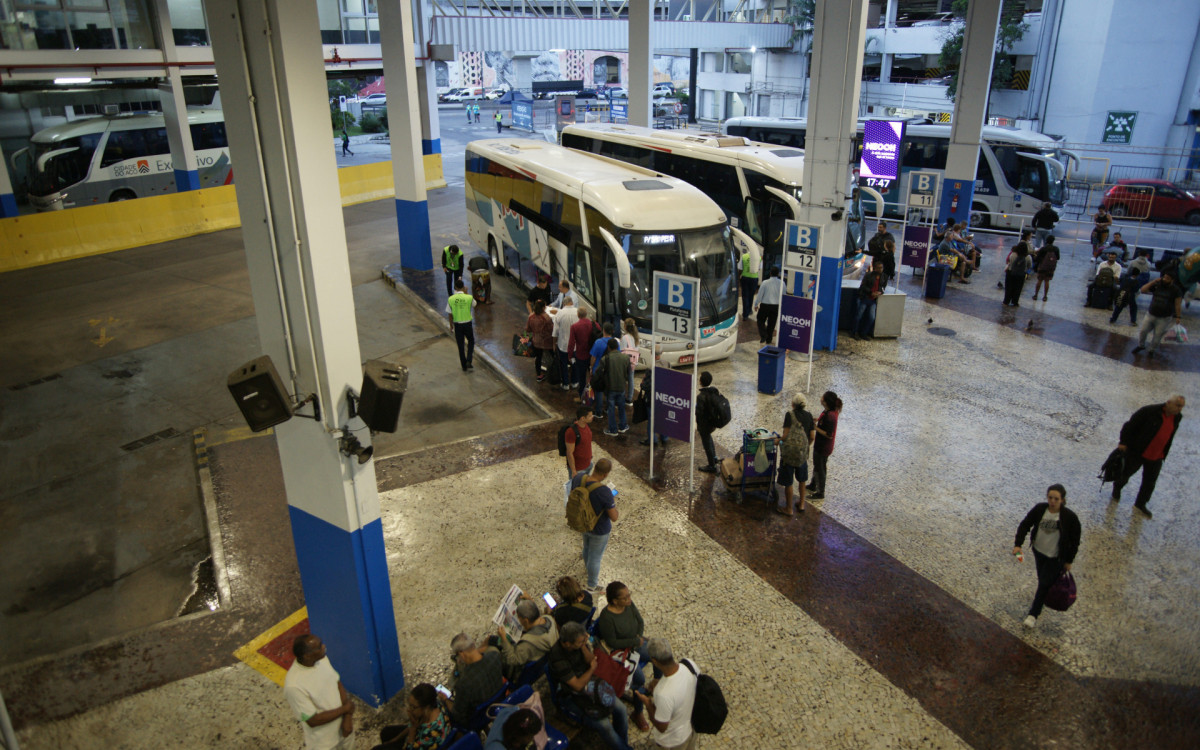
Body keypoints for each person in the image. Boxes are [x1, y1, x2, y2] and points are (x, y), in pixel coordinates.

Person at [548, 622, 634, 750]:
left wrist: (583, 645)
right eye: (580, 642)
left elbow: (590, 659)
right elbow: (577, 685)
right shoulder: (558, 658)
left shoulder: (578, 645)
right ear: (567, 644)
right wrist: (591, 670)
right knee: (604, 725)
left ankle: (622, 744)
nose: (583, 643)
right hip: (571, 695)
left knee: (621, 709)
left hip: (590, 684)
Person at [1013, 484, 1081, 629]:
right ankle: (1042, 598)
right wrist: (1018, 544)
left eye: (1056, 499)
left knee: (1044, 583)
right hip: (1039, 552)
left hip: (1056, 557)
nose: (1052, 501)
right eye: (1050, 497)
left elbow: (1075, 541)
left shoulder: (1069, 517)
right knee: (1043, 580)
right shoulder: (1039, 509)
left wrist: (1069, 560)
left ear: (1062, 500)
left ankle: (1033, 614)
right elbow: (1025, 524)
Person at [1110, 396, 1185, 518]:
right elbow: (1129, 425)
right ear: (1168, 402)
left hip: (1157, 455)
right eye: (1177, 405)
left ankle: (1141, 503)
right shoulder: (1149, 411)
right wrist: (1123, 442)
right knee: (1127, 472)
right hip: (1139, 451)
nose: (1180, 409)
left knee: (1150, 482)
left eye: (1181, 406)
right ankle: (1117, 487)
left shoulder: (1177, 417)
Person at [594, 582, 654, 731]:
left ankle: (656, 685)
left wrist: (638, 636)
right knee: (639, 679)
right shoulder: (607, 617)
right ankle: (638, 712)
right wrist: (634, 641)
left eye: (629, 595)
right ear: (615, 601)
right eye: (625, 597)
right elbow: (612, 642)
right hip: (622, 651)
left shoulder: (628, 605)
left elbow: (639, 621)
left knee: (656, 654)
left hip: (636, 643)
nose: (629, 599)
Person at [284, 634, 355, 750]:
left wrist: (347, 718)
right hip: (325, 743)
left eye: (321, 643)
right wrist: (346, 709)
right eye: (319, 647)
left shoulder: (322, 659)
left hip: (345, 730)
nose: (324, 647)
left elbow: (336, 682)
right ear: (307, 656)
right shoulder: (294, 686)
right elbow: (313, 720)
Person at [634, 638, 698, 750]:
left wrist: (648, 703)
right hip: (691, 730)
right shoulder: (690, 665)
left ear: (654, 661)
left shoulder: (663, 693)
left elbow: (661, 726)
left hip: (673, 743)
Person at [571, 458, 619, 589]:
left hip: (582, 523)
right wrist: (612, 501)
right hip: (599, 530)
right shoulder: (604, 491)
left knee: (586, 547)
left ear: (595, 468)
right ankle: (592, 585)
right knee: (595, 557)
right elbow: (614, 517)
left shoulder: (578, 478)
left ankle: (588, 569)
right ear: (605, 474)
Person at [445, 633, 505, 728]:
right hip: (498, 701)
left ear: (461, 654)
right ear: (473, 645)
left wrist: (444, 699)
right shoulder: (495, 655)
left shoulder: (464, 683)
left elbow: (458, 715)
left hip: (478, 718)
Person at [494, 599, 559, 681]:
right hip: (543, 660)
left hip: (520, 673)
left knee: (493, 646)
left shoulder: (528, 643)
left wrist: (504, 639)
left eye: (519, 618)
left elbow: (512, 659)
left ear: (526, 620)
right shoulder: (549, 619)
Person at [372, 683, 449, 750]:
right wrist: (393, 741)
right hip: (417, 735)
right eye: (410, 705)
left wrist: (413, 729)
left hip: (416, 744)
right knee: (386, 732)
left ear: (426, 707)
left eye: (414, 707)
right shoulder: (435, 705)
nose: (410, 709)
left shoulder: (429, 734)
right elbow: (410, 726)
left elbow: (409, 748)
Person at [775, 392, 815, 516]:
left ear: (793, 404)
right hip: (802, 454)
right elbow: (812, 436)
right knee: (802, 480)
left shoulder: (789, 415)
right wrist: (805, 446)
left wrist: (778, 441)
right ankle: (802, 504)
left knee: (788, 482)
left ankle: (788, 508)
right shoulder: (809, 416)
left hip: (789, 454)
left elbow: (786, 436)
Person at [1131, 270, 1184, 359]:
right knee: (1143, 331)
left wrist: (1178, 316)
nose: (1164, 279)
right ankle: (1141, 345)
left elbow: (1177, 304)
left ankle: (1151, 350)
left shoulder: (1176, 290)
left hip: (1164, 318)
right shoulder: (1158, 285)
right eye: (1164, 277)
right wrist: (1153, 282)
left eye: (1167, 278)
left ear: (1172, 280)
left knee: (1157, 336)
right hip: (1151, 314)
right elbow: (1143, 290)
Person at [806, 390, 842, 500]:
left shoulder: (831, 416)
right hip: (820, 445)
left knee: (820, 468)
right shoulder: (828, 411)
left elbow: (829, 435)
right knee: (817, 465)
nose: (821, 398)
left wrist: (815, 427)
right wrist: (817, 420)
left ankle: (820, 492)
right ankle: (813, 484)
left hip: (823, 447)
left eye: (823, 397)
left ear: (826, 402)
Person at [598, 338, 631, 436]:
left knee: (611, 409)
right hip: (621, 387)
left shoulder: (605, 359)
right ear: (617, 346)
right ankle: (623, 426)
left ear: (608, 347)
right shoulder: (625, 358)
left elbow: (600, 372)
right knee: (621, 407)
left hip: (610, 388)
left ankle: (612, 430)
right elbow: (628, 372)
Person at [445, 280, 476, 372]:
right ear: (463, 287)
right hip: (467, 324)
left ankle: (464, 366)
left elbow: (450, 314)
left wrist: (451, 326)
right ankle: (469, 360)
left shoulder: (451, 299)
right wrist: (467, 294)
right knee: (471, 341)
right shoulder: (468, 297)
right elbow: (474, 304)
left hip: (457, 325)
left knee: (460, 346)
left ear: (455, 288)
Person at [569, 309, 600, 401]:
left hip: (581, 355)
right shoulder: (595, 324)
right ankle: (593, 396)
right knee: (593, 377)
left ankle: (582, 397)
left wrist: (570, 355)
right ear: (586, 314)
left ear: (578, 315)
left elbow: (571, 343)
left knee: (582, 378)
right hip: (593, 355)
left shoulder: (575, 326)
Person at [695, 371, 722, 472]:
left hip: (704, 425)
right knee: (709, 439)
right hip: (713, 422)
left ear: (701, 382)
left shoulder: (701, 396)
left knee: (706, 444)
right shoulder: (714, 391)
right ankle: (714, 458)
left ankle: (711, 466)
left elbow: (699, 413)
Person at [852, 260, 885, 340]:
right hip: (865, 298)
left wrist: (879, 293)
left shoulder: (883, 277)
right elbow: (863, 286)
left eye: (881, 268)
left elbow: (883, 287)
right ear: (875, 268)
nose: (880, 270)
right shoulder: (869, 275)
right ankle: (854, 332)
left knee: (871, 318)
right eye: (878, 268)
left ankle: (864, 333)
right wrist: (871, 292)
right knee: (859, 316)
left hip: (873, 300)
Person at [553, 298, 581, 390]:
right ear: (572, 303)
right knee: (575, 364)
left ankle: (565, 384)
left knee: (563, 364)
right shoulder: (578, 312)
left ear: (564, 304)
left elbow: (555, 331)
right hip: (575, 346)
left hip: (563, 345)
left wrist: (554, 343)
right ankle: (574, 382)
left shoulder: (560, 313)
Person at [637, 369, 668, 449]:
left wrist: (642, 381)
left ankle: (652, 440)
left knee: (651, 421)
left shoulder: (650, 371)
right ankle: (664, 437)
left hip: (651, 401)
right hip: (662, 400)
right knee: (661, 419)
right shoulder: (666, 366)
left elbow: (645, 386)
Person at [752, 267, 784, 344]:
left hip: (765, 306)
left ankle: (764, 335)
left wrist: (756, 304)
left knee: (760, 320)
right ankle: (769, 339)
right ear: (778, 274)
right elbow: (784, 295)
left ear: (770, 273)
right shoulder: (782, 283)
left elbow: (760, 295)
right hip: (776, 306)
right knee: (772, 323)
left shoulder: (765, 283)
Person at [526, 300, 555, 383]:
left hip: (536, 341)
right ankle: (555, 372)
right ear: (543, 308)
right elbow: (551, 330)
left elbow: (528, 329)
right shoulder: (546, 317)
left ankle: (539, 375)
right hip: (547, 341)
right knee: (553, 356)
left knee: (538, 358)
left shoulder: (531, 317)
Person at [564, 406, 595, 477]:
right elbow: (569, 453)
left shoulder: (586, 425)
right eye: (590, 416)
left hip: (588, 464)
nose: (592, 417)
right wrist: (574, 471)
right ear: (583, 418)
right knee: (576, 487)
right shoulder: (571, 432)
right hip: (578, 469)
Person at [1030, 234, 1060, 302]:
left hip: (1042, 267)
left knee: (1039, 280)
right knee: (1047, 281)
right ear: (1053, 241)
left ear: (1046, 241)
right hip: (1050, 268)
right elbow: (1058, 258)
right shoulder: (1056, 249)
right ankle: (1045, 296)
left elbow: (1037, 258)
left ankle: (1036, 295)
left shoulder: (1043, 248)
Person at [1002, 242, 1031, 307]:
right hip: (1021, 275)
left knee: (1009, 288)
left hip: (1011, 273)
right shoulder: (1028, 257)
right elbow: (1029, 266)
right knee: (1018, 288)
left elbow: (1009, 262)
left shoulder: (1013, 254)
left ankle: (1006, 301)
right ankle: (1015, 302)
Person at [619, 318, 641, 403]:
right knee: (631, 378)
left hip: (626, 361)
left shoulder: (625, 337)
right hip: (634, 361)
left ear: (625, 326)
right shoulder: (636, 337)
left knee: (623, 379)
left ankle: (623, 396)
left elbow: (622, 350)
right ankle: (630, 397)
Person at [739, 246, 759, 318]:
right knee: (751, 295)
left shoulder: (744, 256)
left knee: (745, 296)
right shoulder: (758, 258)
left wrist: (739, 277)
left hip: (745, 278)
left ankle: (745, 315)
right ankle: (750, 310)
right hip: (754, 279)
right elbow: (759, 268)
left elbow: (740, 268)